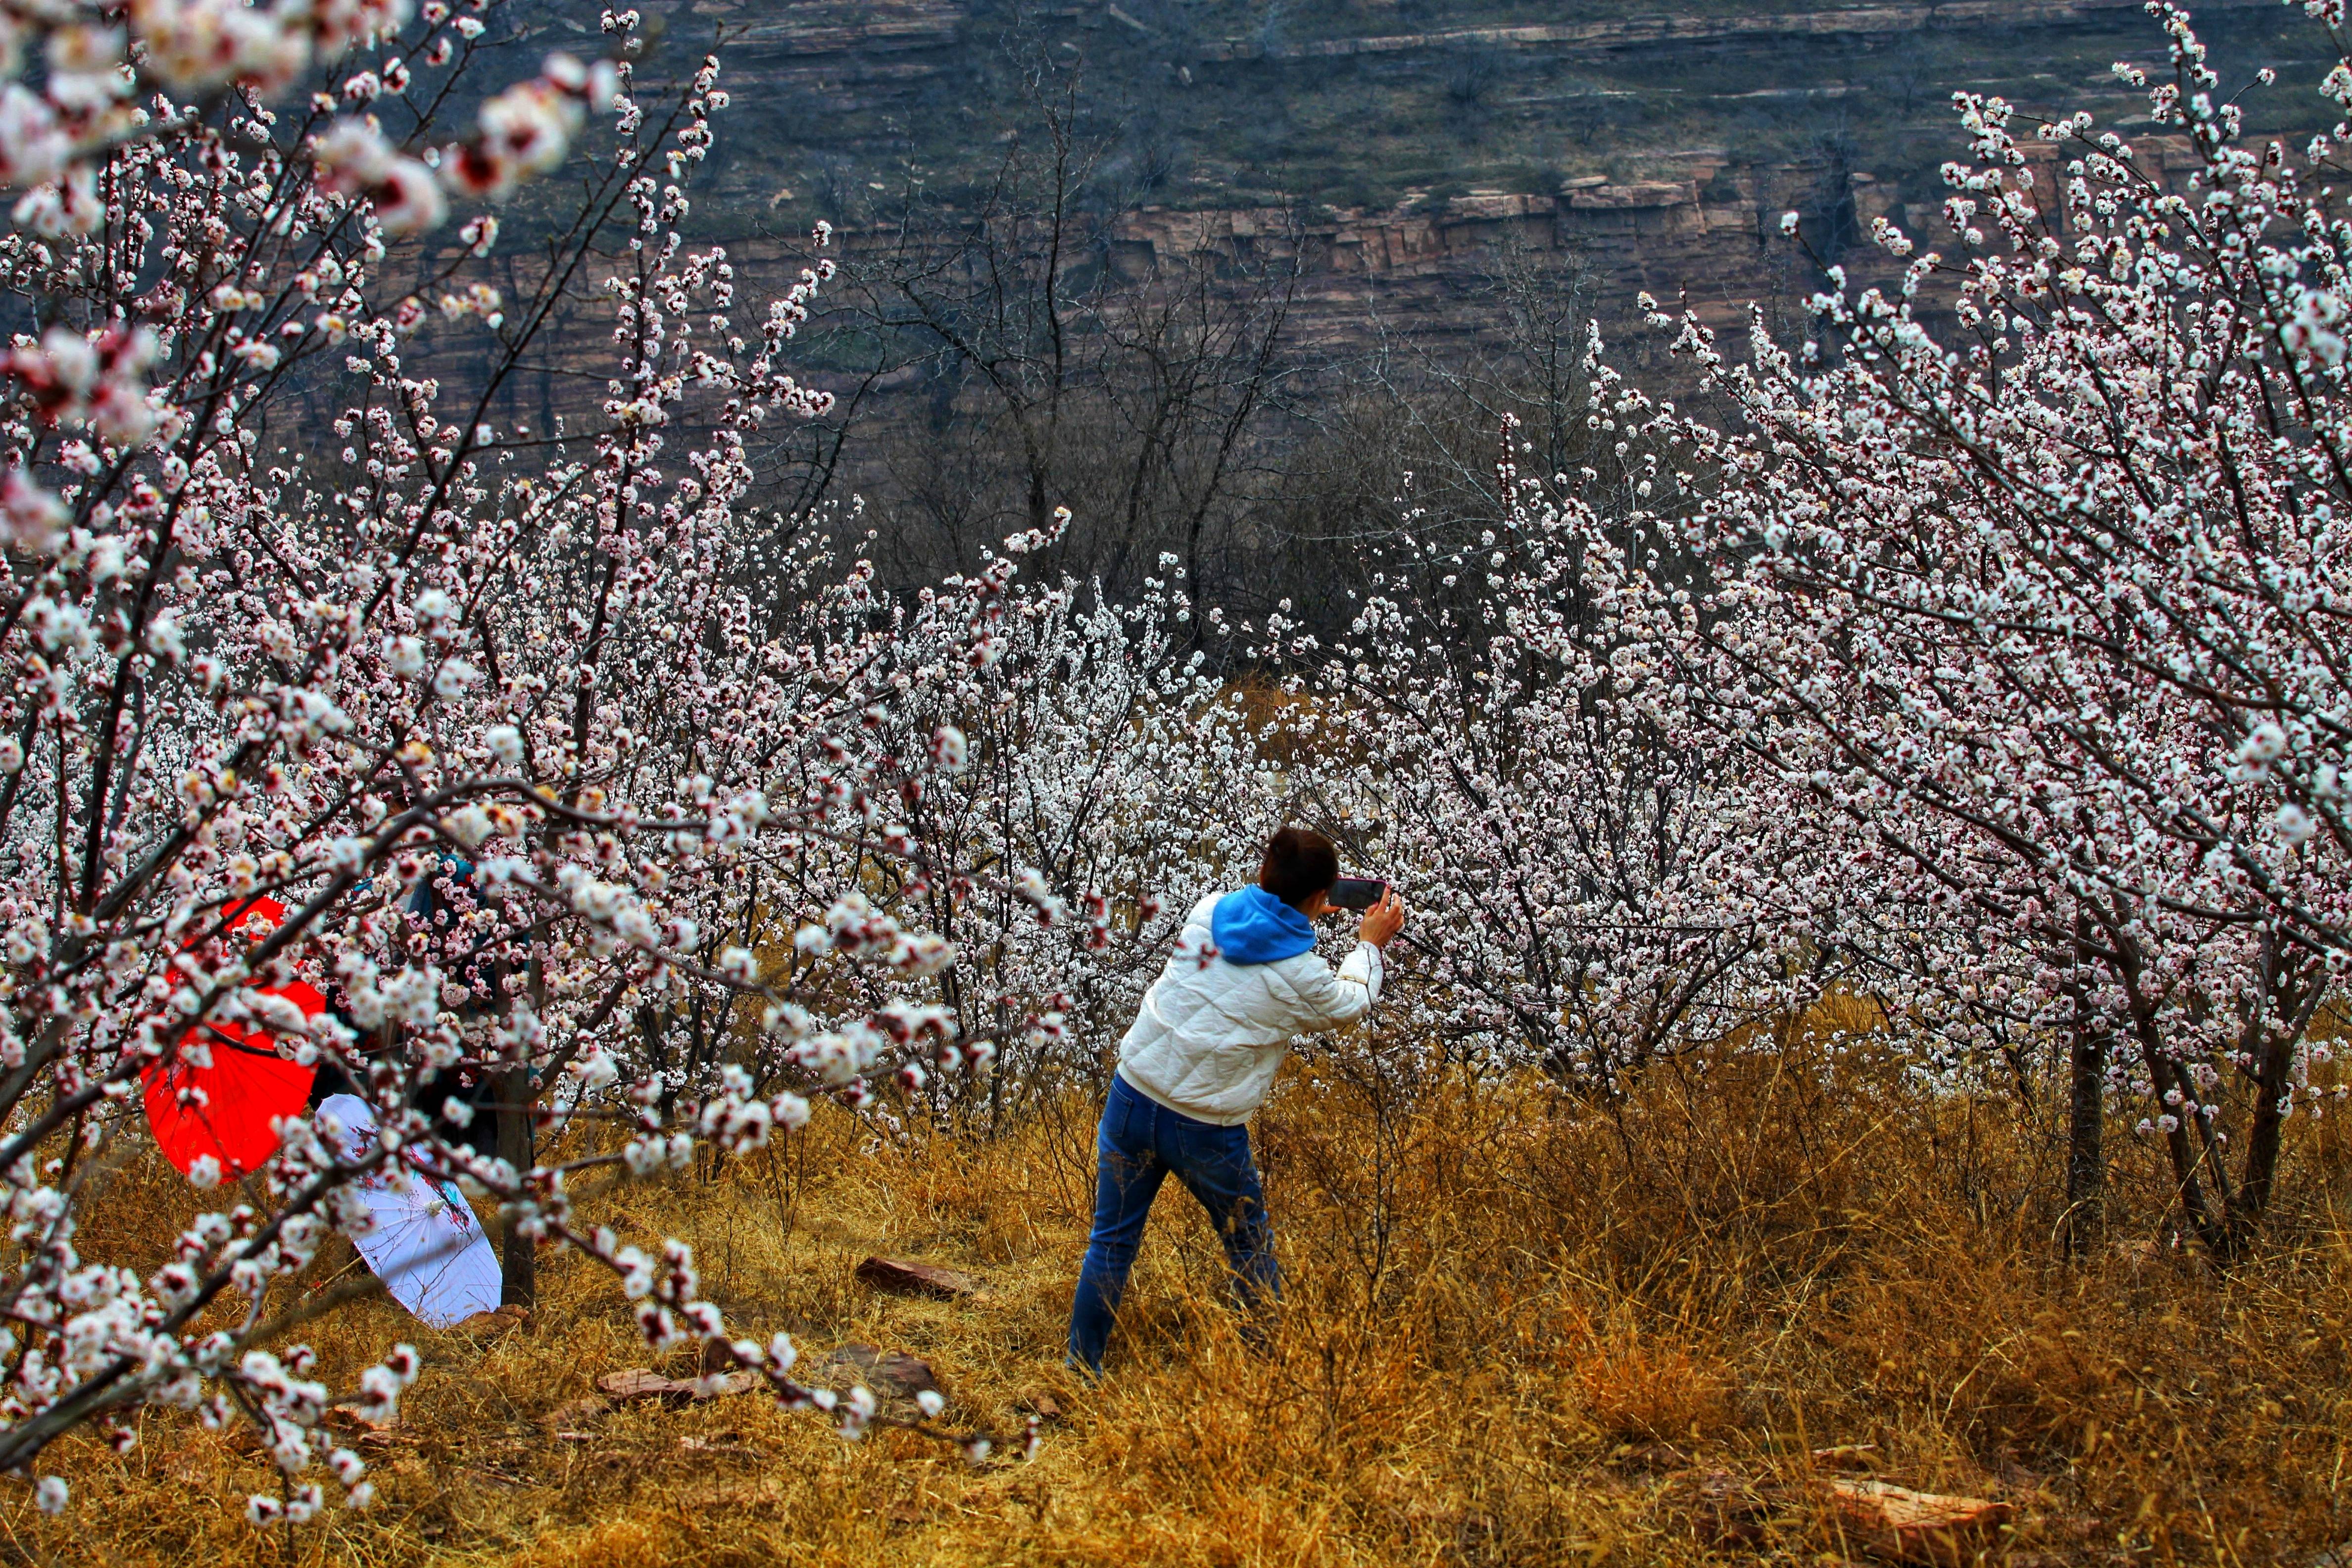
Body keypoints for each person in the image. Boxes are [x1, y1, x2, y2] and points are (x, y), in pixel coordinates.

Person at [1067, 826, 1407, 1374]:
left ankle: (1082, 1370)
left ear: (1262, 874)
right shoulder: (1300, 975)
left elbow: (1255, 934)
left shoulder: (1209, 910)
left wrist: (1304, 903)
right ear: (1322, 897)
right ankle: (1267, 1381)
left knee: (1110, 1242)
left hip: (1134, 1094)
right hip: (1205, 1128)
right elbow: (1350, 1003)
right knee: (1249, 1246)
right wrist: (1369, 945)